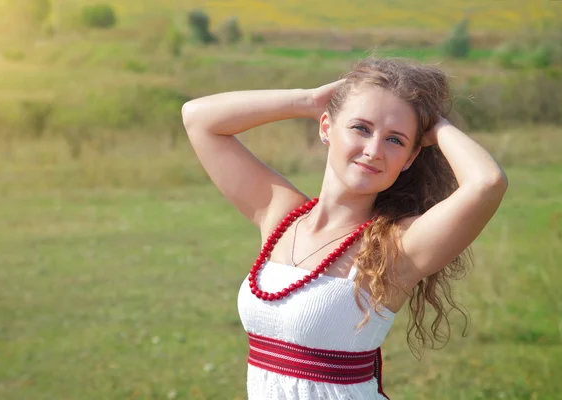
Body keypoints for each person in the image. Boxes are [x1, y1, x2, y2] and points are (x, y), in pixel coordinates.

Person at [181, 57, 508, 399]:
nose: (373, 150)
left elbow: (487, 182)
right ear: (326, 128)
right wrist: (306, 101)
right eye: (361, 128)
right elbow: (199, 119)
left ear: (410, 158)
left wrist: (435, 124)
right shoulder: (281, 216)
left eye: (395, 140)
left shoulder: (399, 246)